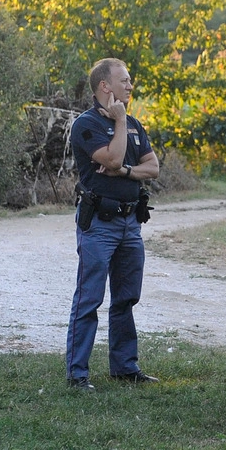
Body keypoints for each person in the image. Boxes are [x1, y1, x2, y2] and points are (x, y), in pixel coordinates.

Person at [64, 58, 161, 391]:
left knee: (126, 297)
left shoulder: (134, 124)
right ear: (105, 86)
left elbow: (153, 167)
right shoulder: (86, 125)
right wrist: (119, 122)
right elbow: (115, 158)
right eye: (125, 81)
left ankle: (124, 367)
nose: (130, 86)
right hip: (99, 225)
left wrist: (127, 173)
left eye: (130, 81)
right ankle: (77, 374)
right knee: (89, 299)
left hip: (130, 223)